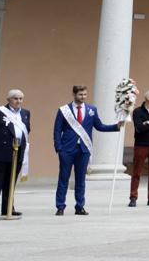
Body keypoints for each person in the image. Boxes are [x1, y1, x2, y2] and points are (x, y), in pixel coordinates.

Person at [52, 84, 122, 216]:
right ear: (74, 94)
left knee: (81, 180)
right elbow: (57, 130)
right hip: (67, 150)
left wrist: (116, 126)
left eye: (85, 94)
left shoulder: (92, 109)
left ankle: (80, 206)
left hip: (83, 149)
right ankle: (60, 206)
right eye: (80, 94)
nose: (83, 97)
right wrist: (59, 148)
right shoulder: (64, 110)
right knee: (63, 179)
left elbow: (99, 126)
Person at [0, 90, 29, 218]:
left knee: (11, 181)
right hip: (0, 152)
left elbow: (26, 130)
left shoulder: (25, 113)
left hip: (17, 152)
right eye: (15, 98)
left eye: (20, 98)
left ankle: (8, 208)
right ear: (9, 99)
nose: (18, 101)